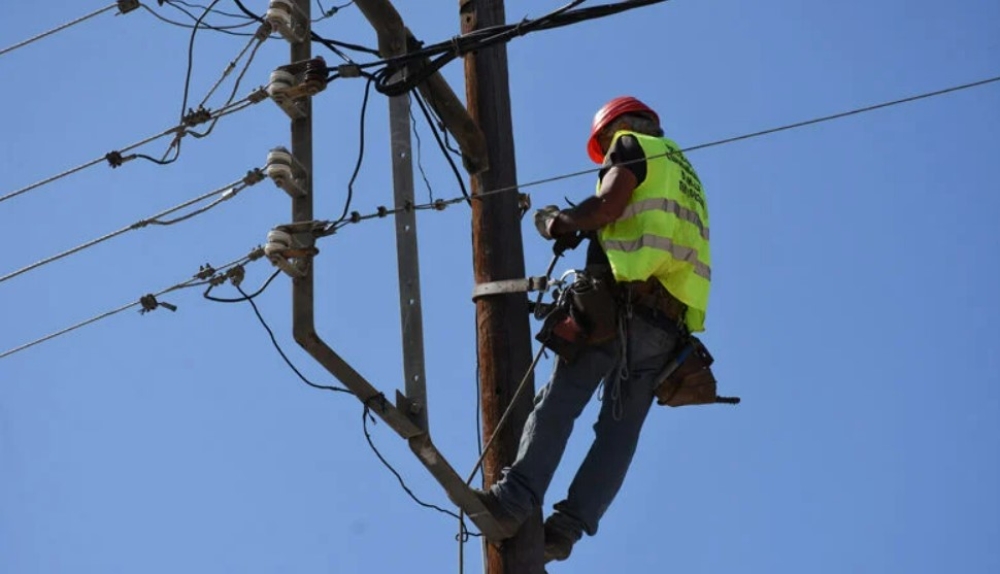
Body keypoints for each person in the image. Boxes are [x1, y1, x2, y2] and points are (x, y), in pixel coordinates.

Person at [474, 96, 713, 563]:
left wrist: (557, 222)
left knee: (560, 401)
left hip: (619, 307)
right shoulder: (686, 173)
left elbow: (606, 207)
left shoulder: (630, 144)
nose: (605, 154)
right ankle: (564, 531)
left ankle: (511, 503)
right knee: (619, 433)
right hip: (668, 330)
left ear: (618, 127)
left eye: (603, 144)